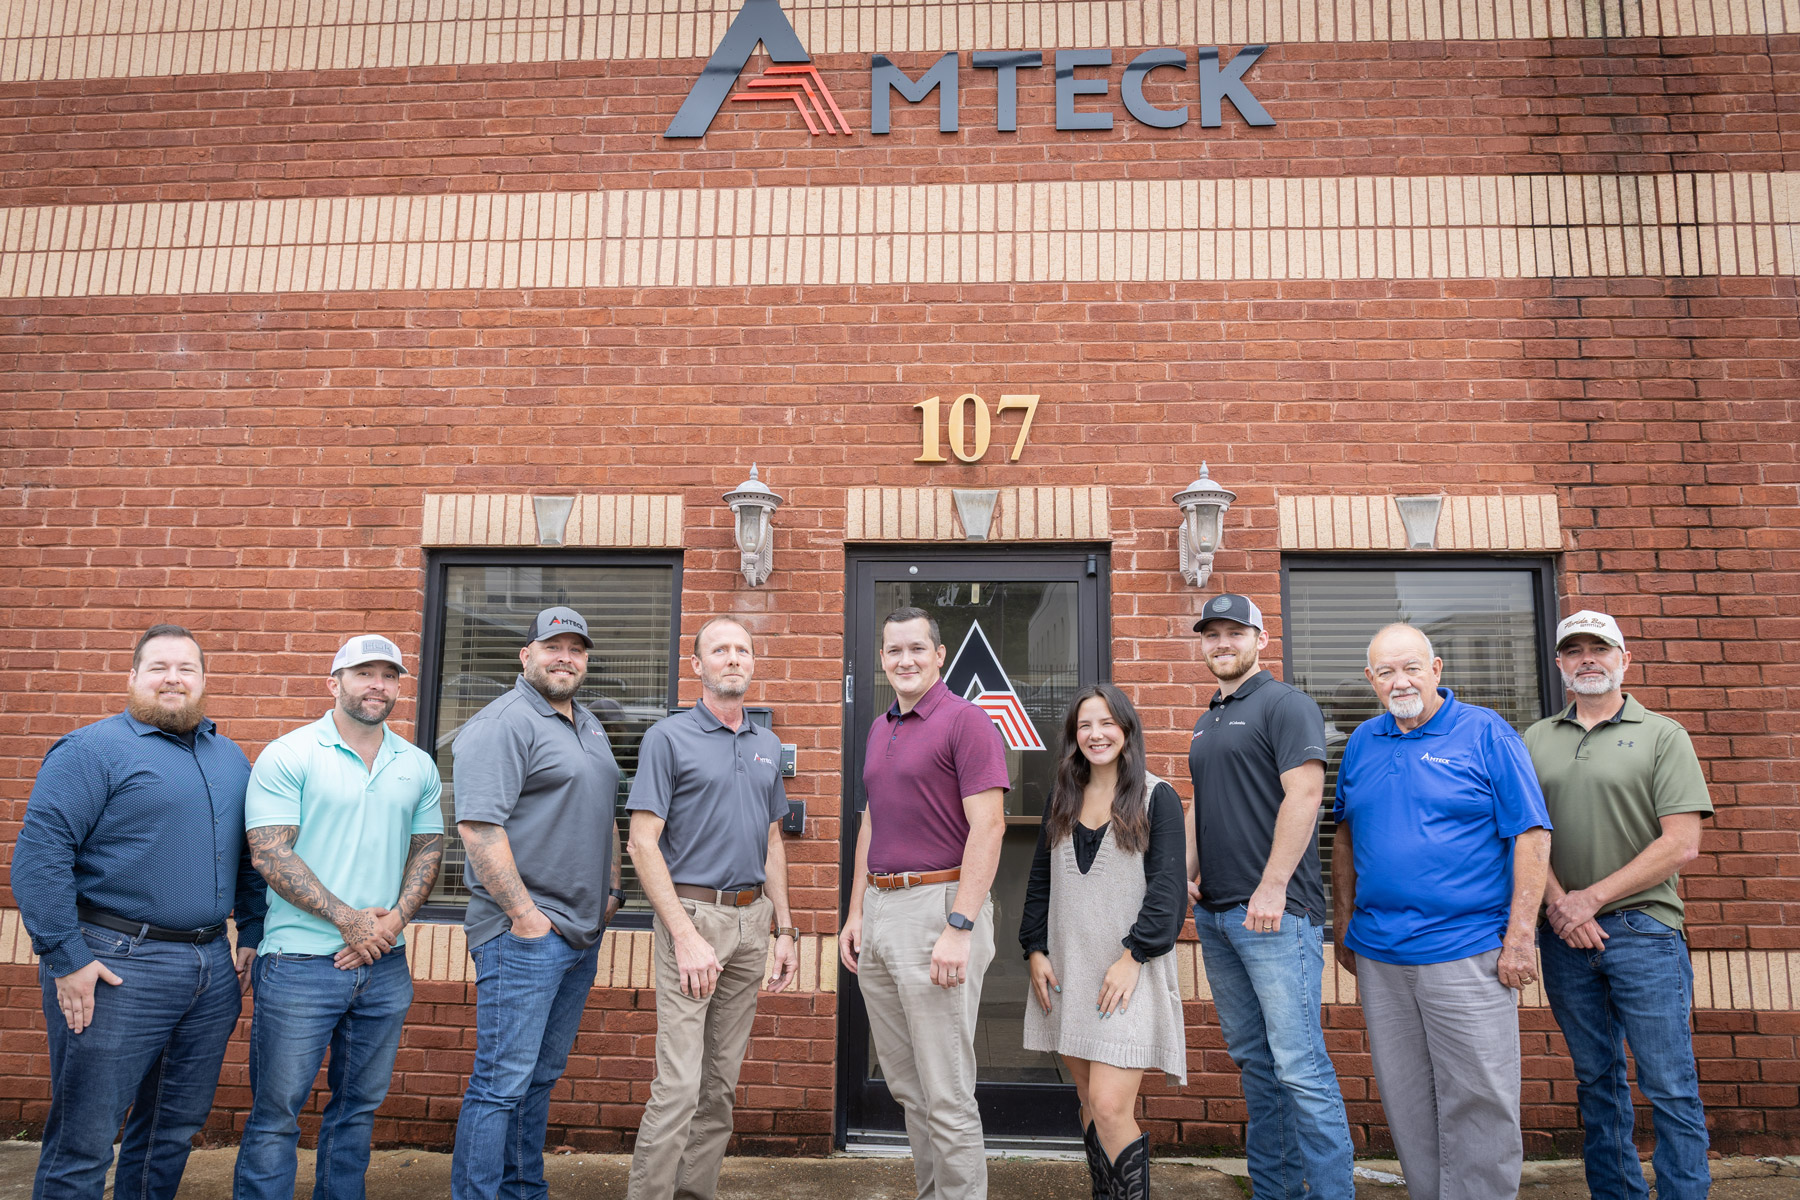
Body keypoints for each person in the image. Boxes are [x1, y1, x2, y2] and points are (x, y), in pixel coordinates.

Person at [12, 624, 266, 1200]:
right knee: (85, 1140)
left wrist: (251, 929)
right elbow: (39, 859)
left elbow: (247, 859)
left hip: (209, 969)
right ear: (132, 677)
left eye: (186, 669)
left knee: (171, 1133)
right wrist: (66, 958)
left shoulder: (230, 758)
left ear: (204, 680)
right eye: (158, 667)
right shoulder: (91, 750)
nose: (173, 678)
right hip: (114, 965)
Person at [1331, 623, 1552, 1200]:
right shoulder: (1362, 743)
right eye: (1385, 672)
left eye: (1410, 667)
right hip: (1381, 953)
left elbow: (1530, 833)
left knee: (1480, 1097)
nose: (1399, 681)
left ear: (1437, 669)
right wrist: (1343, 923)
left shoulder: (1485, 734)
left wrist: (1521, 936)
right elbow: (1347, 837)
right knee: (1407, 1100)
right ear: (1370, 680)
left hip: (1467, 949)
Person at [233, 636, 445, 1200]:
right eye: (363, 673)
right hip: (299, 964)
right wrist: (351, 921)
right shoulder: (290, 753)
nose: (378, 685)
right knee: (277, 1114)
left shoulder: (416, 763)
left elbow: (427, 850)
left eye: (389, 675)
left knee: (357, 1111)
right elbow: (270, 852)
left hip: (384, 966)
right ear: (334, 683)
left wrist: (389, 926)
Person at [1524, 610, 1712, 1200]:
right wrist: (1560, 905)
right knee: (1596, 1083)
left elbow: (1682, 842)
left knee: (1669, 1084)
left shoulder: (1663, 735)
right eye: (1574, 650)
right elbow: (1523, 834)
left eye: (1599, 649)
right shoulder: (1535, 738)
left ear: (1623, 659)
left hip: (1644, 932)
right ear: (1559, 664)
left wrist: (1591, 900)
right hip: (1563, 938)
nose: (1587, 659)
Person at [450, 606, 625, 1200]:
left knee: (539, 1079)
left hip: (579, 933)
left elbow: (605, 812)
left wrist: (611, 890)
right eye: (553, 647)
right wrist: (525, 916)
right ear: (525, 656)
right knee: (501, 1083)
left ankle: (523, 1188)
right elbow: (478, 828)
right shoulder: (502, 723)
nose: (565, 658)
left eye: (576, 649)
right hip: (525, 936)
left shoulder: (588, 723)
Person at [1185, 594, 1354, 1200]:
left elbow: (1305, 795)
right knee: (1257, 1066)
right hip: (1219, 915)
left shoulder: (1286, 705)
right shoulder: (1209, 717)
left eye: (1234, 632)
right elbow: (1202, 797)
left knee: (1301, 1069)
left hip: (1274, 917)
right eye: (1212, 634)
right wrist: (1187, 869)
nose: (1222, 643)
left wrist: (1273, 886)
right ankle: (1276, 1190)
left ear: (1260, 638)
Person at [838, 607, 1010, 1200]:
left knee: (946, 1090)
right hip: (882, 909)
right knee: (910, 1086)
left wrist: (959, 925)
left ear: (939, 655)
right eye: (893, 651)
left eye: (917, 649)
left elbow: (989, 828)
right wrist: (857, 911)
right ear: (881, 659)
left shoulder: (967, 722)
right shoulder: (880, 726)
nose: (905, 660)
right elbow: (870, 822)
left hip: (941, 905)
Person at [624, 616, 798, 1200]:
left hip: (753, 923)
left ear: (753, 663)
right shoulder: (667, 739)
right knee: (678, 1086)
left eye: (742, 650)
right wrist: (684, 934)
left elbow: (773, 842)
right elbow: (642, 842)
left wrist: (786, 930)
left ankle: (693, 1193)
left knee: (720, 1085)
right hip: (693, 920)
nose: (732, 658)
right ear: (696, 665)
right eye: (718, 650)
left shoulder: (767, 745)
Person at [1021, 684, 1186, 1200]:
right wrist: (1034, 949)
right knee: (1090, 1100)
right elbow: (1041, 879)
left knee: (1113, 1107)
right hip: (1069, 971)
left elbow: (1168, 892)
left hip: (1126, 972)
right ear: (1073, 737)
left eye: (1107, 723)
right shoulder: (1062, 797)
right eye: (1085, 725)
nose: (1096, 734)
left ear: (1127, 730)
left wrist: (1133, 956)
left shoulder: (1157, 796)